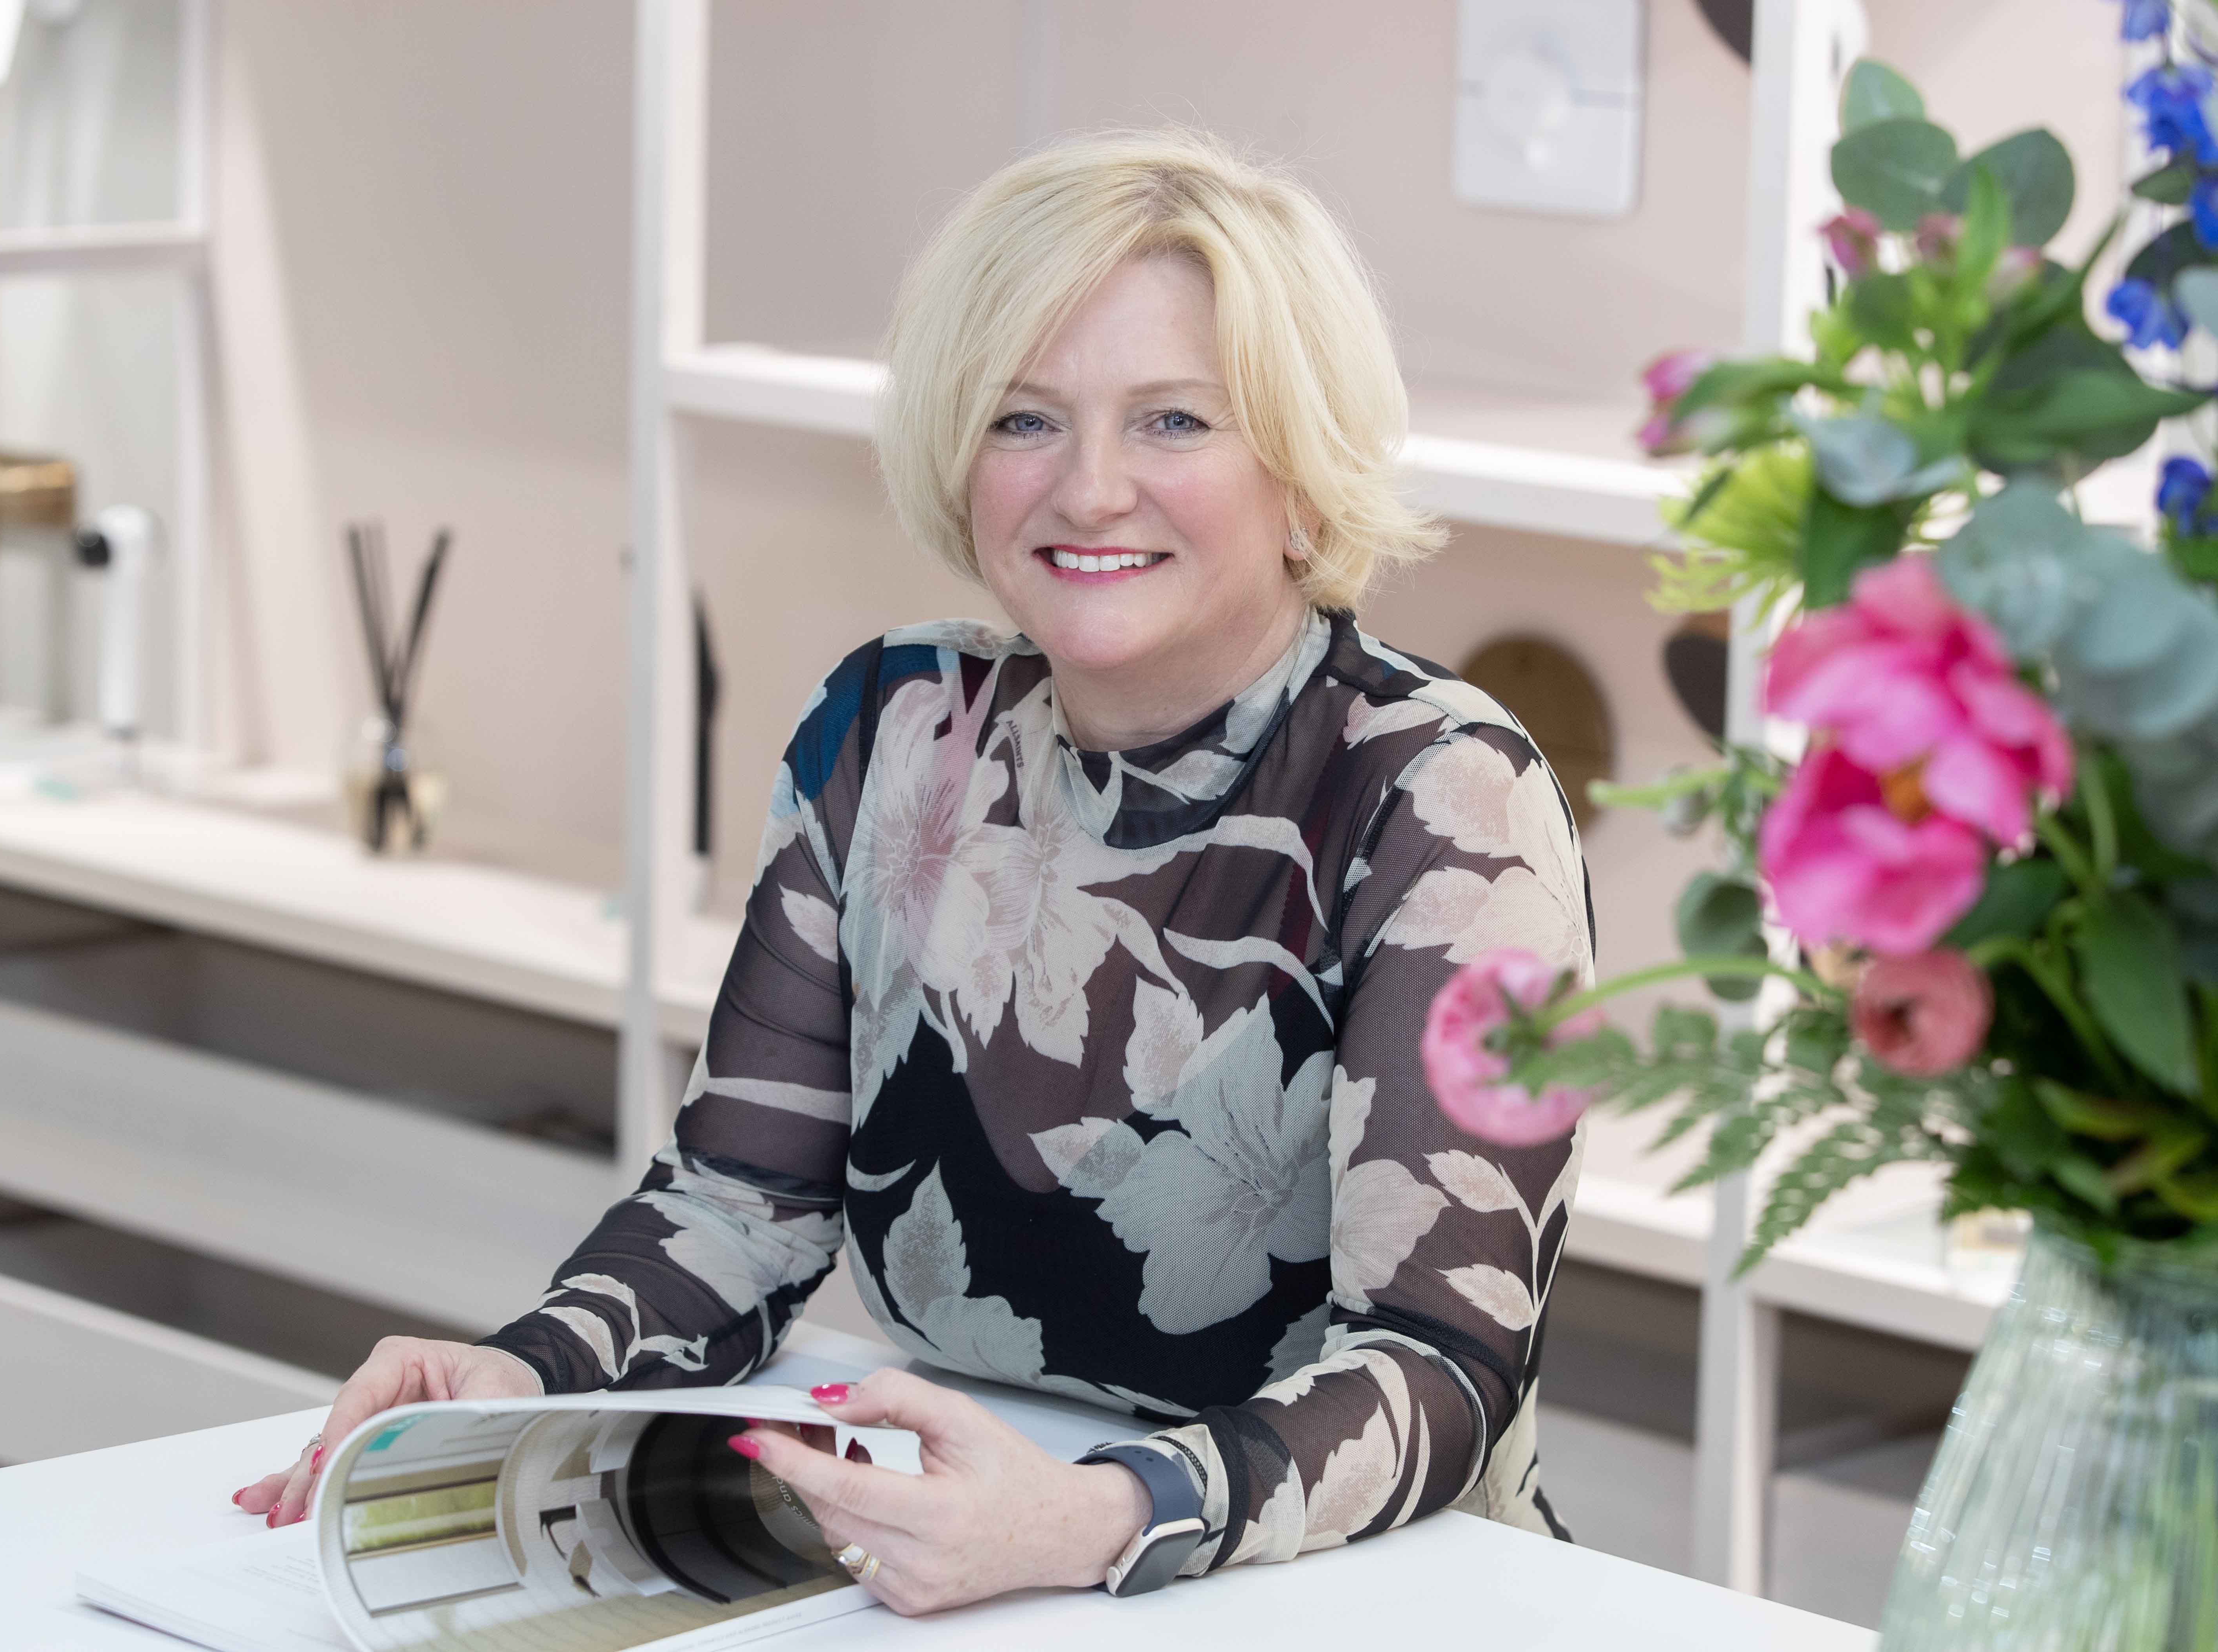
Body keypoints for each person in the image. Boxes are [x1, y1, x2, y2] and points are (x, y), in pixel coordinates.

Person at [232, 127, 1592, 1615]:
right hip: (958, 1565)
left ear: (1301, 463)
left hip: (1348, 1597)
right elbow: (737, 1207)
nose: (1087, 490)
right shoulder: (895, 726)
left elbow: (1441, 1361)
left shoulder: (1442, 789)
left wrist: (1088, 1522)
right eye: (1023, 420)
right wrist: (513, 1372)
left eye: (1174, 423)